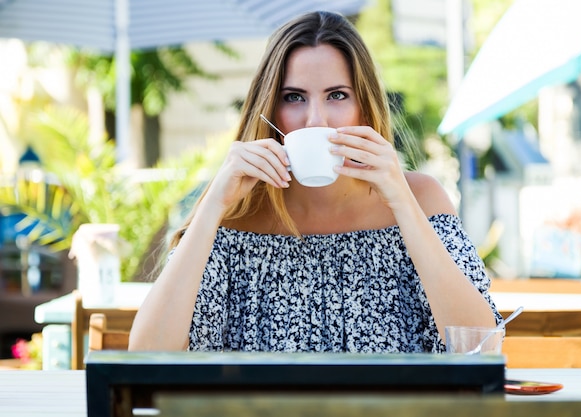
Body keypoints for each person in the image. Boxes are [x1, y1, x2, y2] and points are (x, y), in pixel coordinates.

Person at [129, 10, 502, 354]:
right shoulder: (232, 215)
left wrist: (402, 204)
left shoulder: (421, 198)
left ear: (364, 107)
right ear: (271, 109)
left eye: (337, 95)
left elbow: (481, 349)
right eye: (294, 97)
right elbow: (145, 356)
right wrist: (212, 207)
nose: (316, 120)